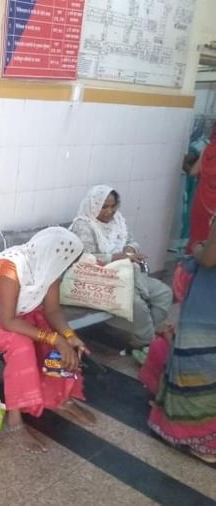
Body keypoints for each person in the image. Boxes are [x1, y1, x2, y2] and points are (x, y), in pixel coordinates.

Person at [0, 227, 95, 453]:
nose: (68, 266)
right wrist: (55, 339)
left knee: (52, 335)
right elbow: (7, 322)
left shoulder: (50, 266)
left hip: (17, 312)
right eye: (68, 261)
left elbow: (52, 311)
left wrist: (70, 337)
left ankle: (60, 398)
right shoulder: (11, 268)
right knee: (21, 345)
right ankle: (15, 419)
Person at [147, 218, 216, 463]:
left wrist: (198, 248)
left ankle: (203, 439)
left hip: (208, 306)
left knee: (199, 366)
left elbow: (209, 259)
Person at [70, 185, 173, 348]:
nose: (109, 211)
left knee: (164, 294)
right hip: (97, 280)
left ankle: (146, 334)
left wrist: (129, 251)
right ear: (93, 205)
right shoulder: (84, 225)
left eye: (113, 206)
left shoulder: (117, 220)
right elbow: (84, 258)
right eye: (104, 207)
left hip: (127, 275)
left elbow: (132, 241)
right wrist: (118, 257)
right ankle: (145, 343)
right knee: (136, 304)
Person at [187, 131, 216, 254]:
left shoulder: (208, 149)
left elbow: (193, 171)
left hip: (201, 200)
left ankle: (191, 260)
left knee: (197, 235)